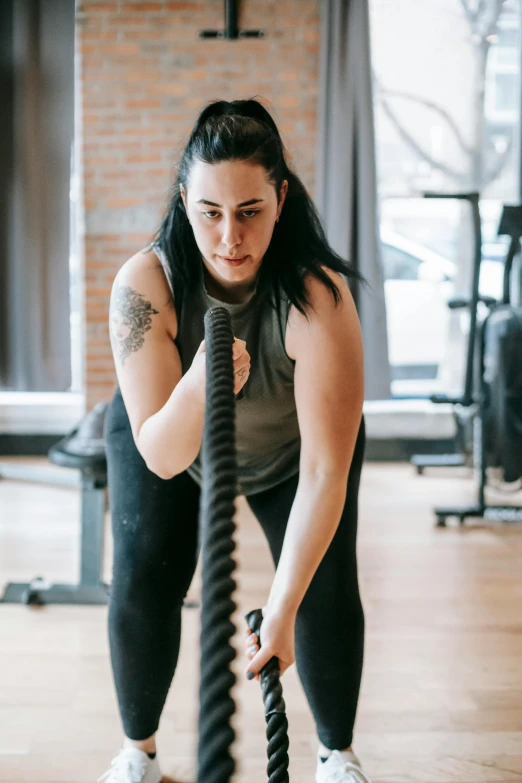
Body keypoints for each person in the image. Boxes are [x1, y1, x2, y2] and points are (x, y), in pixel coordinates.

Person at [100, 98, 370, 783]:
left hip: (293, 456)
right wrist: (196, 385)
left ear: (281, 198)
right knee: (142, 574)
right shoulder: (146, 284)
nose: (229, 236)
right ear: (185, 199)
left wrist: (278, 610)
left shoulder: (319, 298)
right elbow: (163, 453)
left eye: (250, 210)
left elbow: (323, 470)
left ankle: (337, 755)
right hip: (169, 437)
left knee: (324, 582)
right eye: (210, 212)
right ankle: (138, 752)